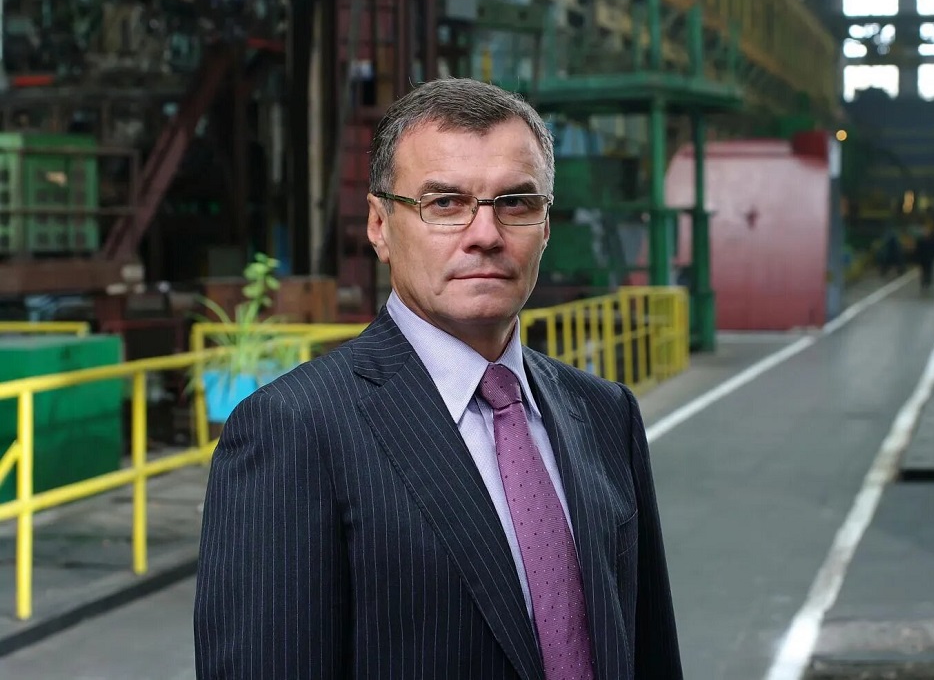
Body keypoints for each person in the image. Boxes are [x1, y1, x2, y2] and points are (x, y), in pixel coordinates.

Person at [194, 77, 683, 680]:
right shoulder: (293, 431)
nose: (486, 235)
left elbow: (648, 652)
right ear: (380, 225)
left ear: (546, 225)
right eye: (445, 203)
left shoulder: (606, 414)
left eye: (516, 203)